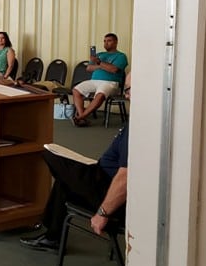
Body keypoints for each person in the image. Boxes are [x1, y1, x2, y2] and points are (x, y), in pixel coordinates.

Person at [20, 72, 131, 251]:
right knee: (65, 177)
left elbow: (126, 177)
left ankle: (51, 234)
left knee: (51, 156)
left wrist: (103, 213)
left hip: (105, 185)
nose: (126, 95)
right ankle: (52, 237)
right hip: (101, 174)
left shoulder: (138, 128)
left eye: (129, 90)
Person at [72, 32, 128, 126]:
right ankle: (82, 117)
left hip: (110, 82)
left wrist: (99, 63)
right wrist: (102, 65)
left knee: (100, 94)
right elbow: (89, 68)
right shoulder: (99, 54)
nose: (106, 43)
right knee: (76, 90)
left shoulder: (121, 56)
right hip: (94, 81)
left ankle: (80, 117)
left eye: (109, 41)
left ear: (116, 42)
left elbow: (113, 69)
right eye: (104, 41)